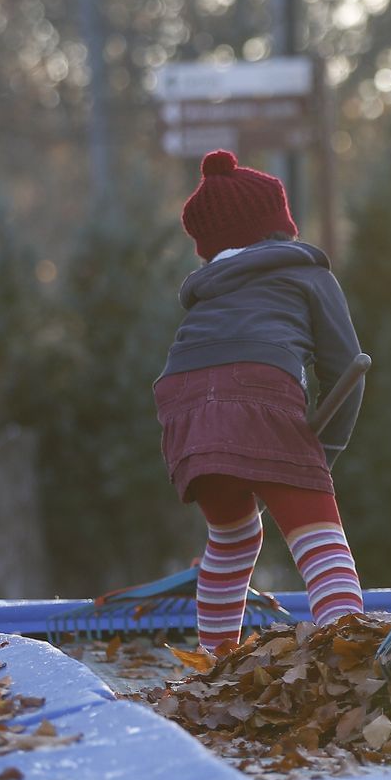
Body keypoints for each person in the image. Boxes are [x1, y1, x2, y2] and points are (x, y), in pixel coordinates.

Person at [155, 150, 367, 655]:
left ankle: (211, 666)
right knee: (319, 537)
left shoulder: (207, 293)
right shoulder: (308, 274)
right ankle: (355, 660)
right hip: (259, 386)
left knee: (231, 539)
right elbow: (346, 369)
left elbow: (206, 368)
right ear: (278, 226)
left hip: (181, 399)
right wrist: (321, 455)